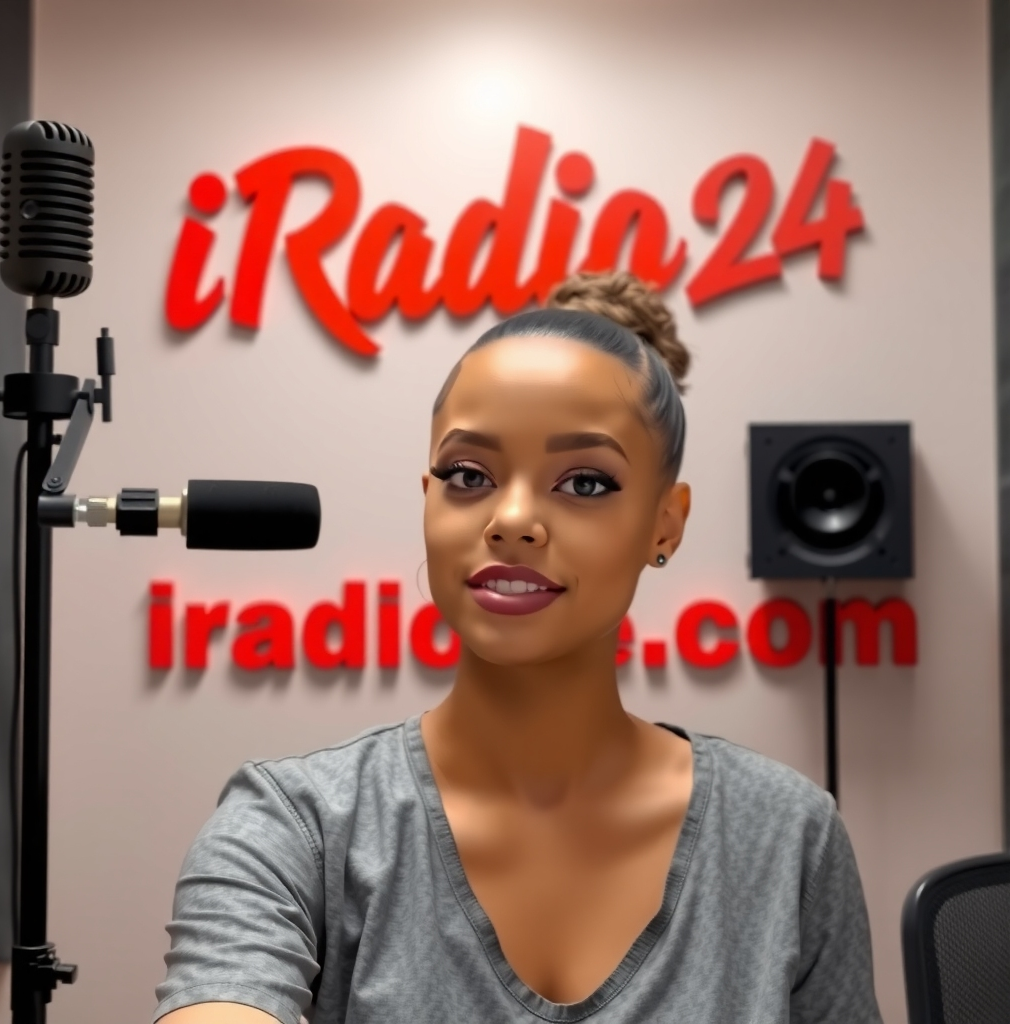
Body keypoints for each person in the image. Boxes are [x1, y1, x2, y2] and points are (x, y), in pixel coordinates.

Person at [154, 272, 882, 1024]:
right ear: (428, 500)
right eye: (468, 475)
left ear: (666, 523)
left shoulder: (789, 835)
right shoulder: (295, 827)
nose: (511, 520)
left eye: (585, 483)